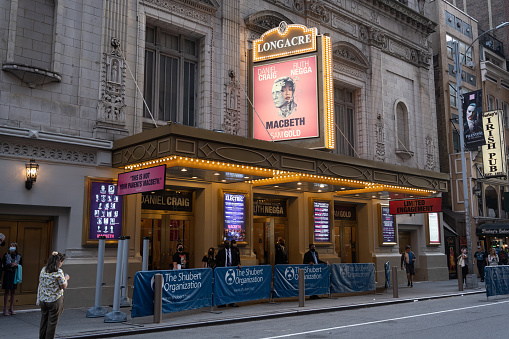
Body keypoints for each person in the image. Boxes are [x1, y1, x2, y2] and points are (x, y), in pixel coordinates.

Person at [38, 251, 69, 339]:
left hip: (43, 300)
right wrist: (66, 278)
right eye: (62, 262)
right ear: (59, 261)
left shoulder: (44, 270)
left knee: (44, 322)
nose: (62, 264)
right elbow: (63, 286)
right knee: (52, 324)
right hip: (54, 300)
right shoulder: (58, 272)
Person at [215, 240, 241, 307]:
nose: (227, 245)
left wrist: (238, 264)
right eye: (226, 244)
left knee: (231, 287)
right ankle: (222, 302)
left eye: (228, 244)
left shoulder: (234, 252)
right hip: (223, 271)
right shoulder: (221, 252)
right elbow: (217, 261)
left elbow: (237, 259)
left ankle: (231, 302)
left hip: (232, 271)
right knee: (222, 287)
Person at [2, 242, 22, 315]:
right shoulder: (6, 255)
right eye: (10, 246)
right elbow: (3, 266)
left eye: (13, 246)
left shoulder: (18, 256)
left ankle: (11, 307)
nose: (12, 247)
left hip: (14, 274)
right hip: (8, 273)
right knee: (7, 291)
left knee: (13, 291)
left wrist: (17, 265)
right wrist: (10, 265)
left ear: (16, 247)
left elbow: (21, 265)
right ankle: (5, 308)